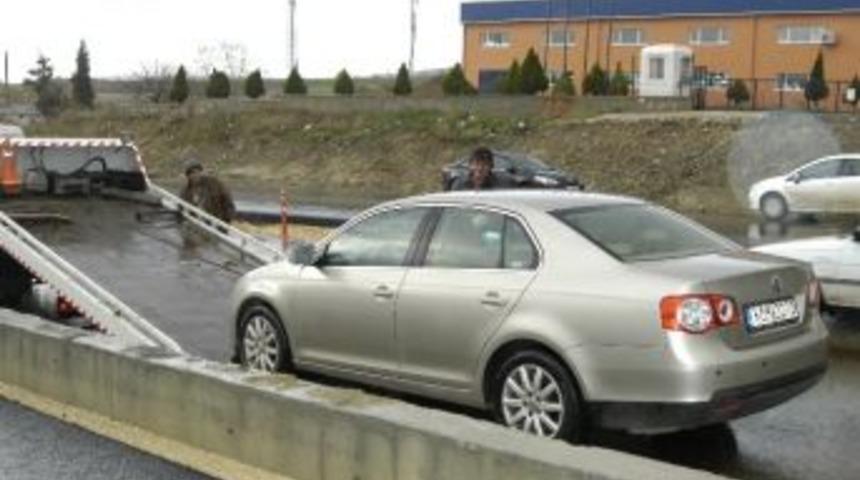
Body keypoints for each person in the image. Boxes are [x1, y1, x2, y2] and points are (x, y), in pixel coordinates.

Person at [179, 158, 236, 223]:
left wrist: (227, 220)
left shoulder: (214, 184)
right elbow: (182, 209)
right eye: (192, 173)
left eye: (197, 172)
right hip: (196, 223)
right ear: (188, 176)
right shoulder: (185, 192)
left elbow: (227, 201)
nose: (195, 175)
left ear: (201, 172)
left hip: (216, 221)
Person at [449, 147, 516, 191]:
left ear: (491, 167)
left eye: (484, 165)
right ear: (470, 165)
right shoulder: (459, 184)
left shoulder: (501, 185)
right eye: (476, 164)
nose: (480, 168)